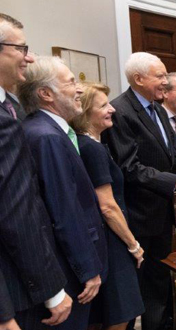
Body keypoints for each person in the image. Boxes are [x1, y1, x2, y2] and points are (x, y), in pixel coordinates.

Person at [102, 52, 176, 330]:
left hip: (162, 214)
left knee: (159, 284)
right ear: (138, 79)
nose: (166, 82)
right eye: (161, 76)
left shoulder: (157, 109)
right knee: (135, 292)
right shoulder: (122, 112)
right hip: (138, 217)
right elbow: (130, 168)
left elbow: (168, 157)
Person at [19, 56, 108, 329]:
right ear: (46, 94)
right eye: (71, 82)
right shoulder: (47, 137)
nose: (79, 89)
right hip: (70, 272)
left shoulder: (45, 131)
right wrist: (88, 269)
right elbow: (65, 210)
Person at [0, 13, 73, 330]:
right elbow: (16, 210)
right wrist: (52, 290)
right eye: (21, 48)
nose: (29, 57)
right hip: (17, 288)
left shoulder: (10, 107)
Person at [70, 82, 146, 329]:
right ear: (84, 112)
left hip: (106, 240)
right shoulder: (92, 149)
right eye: (103, 105)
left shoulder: (90, 144)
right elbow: (108, 207)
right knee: (120, 314)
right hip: (113, 243)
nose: (112, 109)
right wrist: (133, 245)